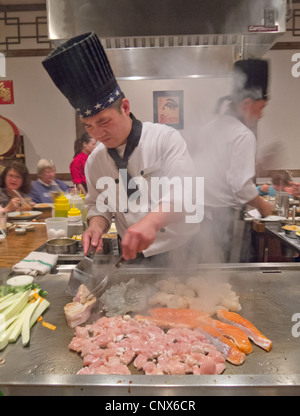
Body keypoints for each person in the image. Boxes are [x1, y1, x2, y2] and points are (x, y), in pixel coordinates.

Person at [42, 32, 199, 264]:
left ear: (124, 107)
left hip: (181, 252)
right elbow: (97, 204)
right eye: (88, 126)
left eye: (104, 122)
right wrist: (96, 225)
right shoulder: (96, 160)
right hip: (133, 254)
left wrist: (151, 221)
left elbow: (187, 196)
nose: (97, 133)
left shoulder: (164, 139)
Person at [194, 59, 273, 262]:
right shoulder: (242, 135)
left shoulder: (211, 126)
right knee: (225, 278)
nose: (262, 115)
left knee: (202, 273)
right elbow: (241, 187)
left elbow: (210, 168)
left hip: (198, 217)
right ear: (247, 104)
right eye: (261, 107)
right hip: (223, 220)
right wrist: (264, 206)